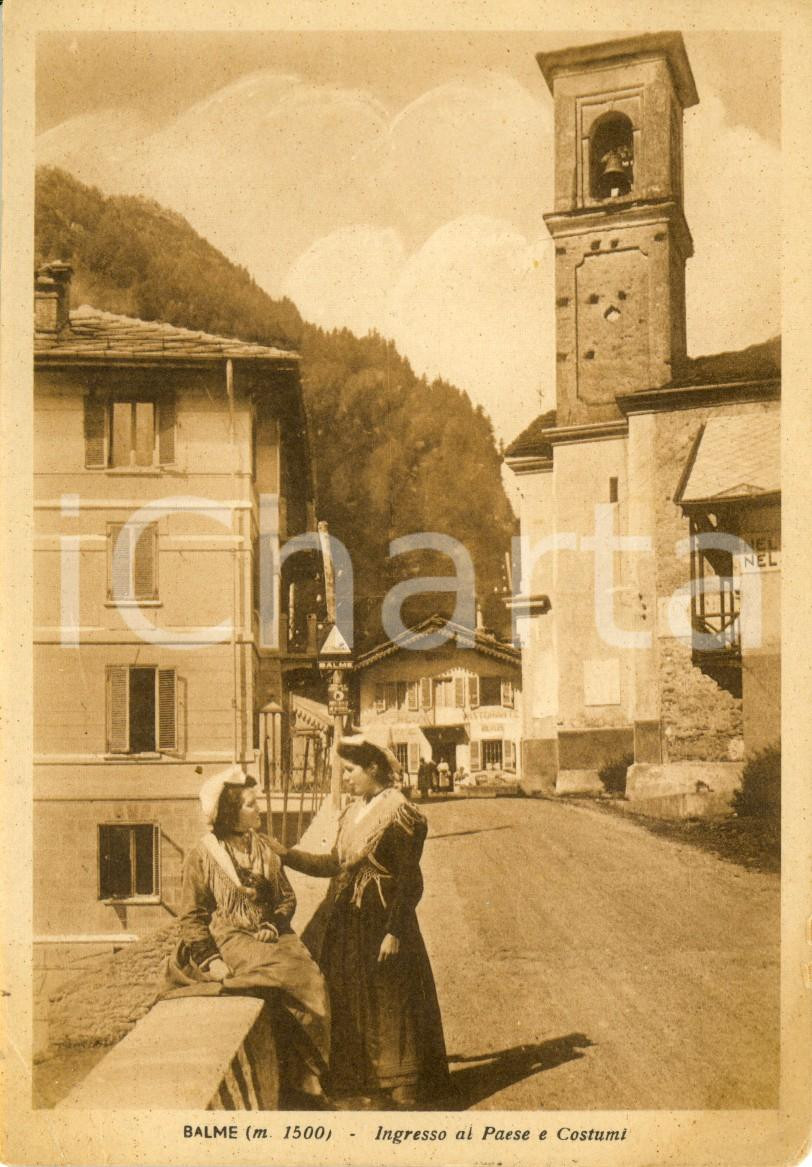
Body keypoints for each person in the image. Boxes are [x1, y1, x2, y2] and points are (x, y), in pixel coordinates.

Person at [272, 735, 450, 1109]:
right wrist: (286, 855)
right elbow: (333, 864)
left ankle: (403, 1085)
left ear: (372, 769)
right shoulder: (354, 812)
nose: (346, 779)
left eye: (351, 771)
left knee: (391, 1004)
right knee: (355, 1002)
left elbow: (410, 881)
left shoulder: (400, 814)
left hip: (385, 925)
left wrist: (394, 931)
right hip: (350, 926)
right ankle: (365, 1082)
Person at [164, 766, 331, 1107]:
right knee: (293, 976)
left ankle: (307, 1074)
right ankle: (306, 1081)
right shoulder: (203, 856)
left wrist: (273, 923)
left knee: (312, 975)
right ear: (230, 812)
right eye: (251, 805)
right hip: (230, 935)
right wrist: (211, 962)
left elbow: (286, 897)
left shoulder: (264, 847)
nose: (260, 810)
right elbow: (192, 917)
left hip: (269, 932)